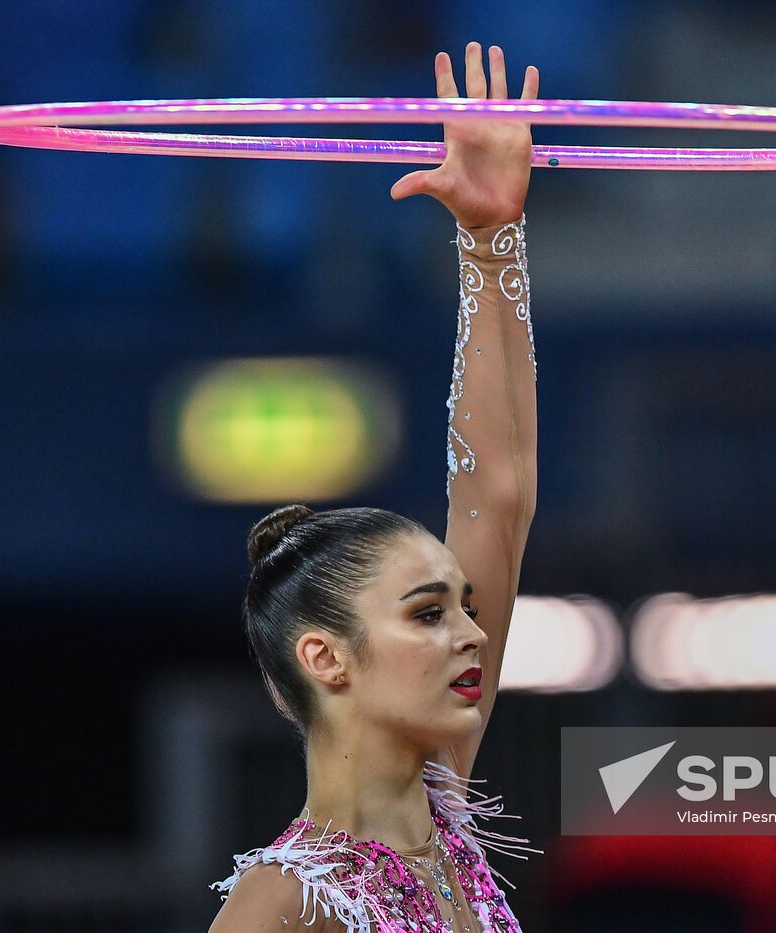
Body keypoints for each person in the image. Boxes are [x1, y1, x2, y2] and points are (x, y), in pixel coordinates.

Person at [209, 42, 541, 933]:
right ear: (327, 656)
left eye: (462, 607)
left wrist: (490, 240)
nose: (475, 632)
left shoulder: (444, 820)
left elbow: (498, 495)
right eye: (430, 613)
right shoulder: (280, 901)